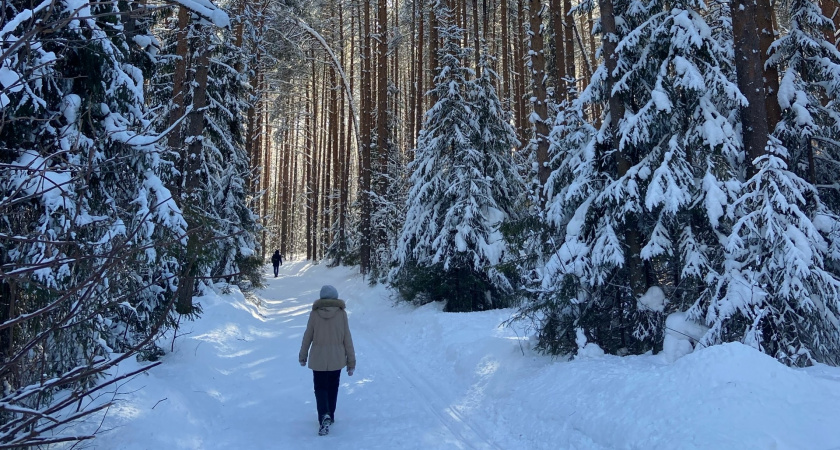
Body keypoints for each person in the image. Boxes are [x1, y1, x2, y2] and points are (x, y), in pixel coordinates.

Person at [299, 285, 356, 436]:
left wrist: (303, 355)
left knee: (320, 388)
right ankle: (330, 415)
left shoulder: (315, 314)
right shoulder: (342, 314)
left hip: (318, 358)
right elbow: (347, 338)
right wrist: (351, 361)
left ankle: (323, 414)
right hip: (336, 358)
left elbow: (308, 336)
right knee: (333, 387)